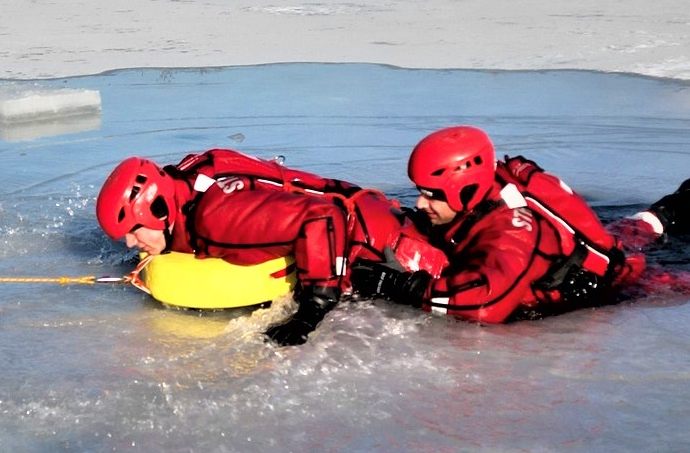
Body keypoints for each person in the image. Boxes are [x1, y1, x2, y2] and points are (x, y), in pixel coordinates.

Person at [352, 125, 690, 324]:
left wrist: (395, 285)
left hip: (614, 278)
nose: (418, 202)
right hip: (592, 239)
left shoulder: (512, 231)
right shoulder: (493, 185)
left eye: (430, 194)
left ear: (466, 186)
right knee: (625, 230)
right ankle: (674, 209)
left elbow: (485, 303)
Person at [94, 148, 436, 346]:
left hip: (386, 248)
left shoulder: (216, 218)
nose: (130, 243)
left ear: (160, 210)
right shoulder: (184, 179)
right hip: (375, 213)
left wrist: (312, 310)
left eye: (134, 231)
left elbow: (322, 219)